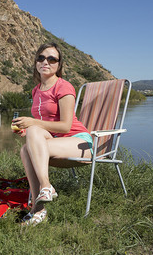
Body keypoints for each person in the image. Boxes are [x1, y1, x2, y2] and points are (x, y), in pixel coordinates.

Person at [11, 42, 93, 226]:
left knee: (31, 138)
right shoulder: (36, 90)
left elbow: (65, 126)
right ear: (35, 63)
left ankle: (45, 189)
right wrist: (28, 129)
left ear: (59, 65)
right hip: (55, 143)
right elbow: (43, 127)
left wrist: (33, 123)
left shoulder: (63, 87)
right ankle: (38, 208)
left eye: (51, 59)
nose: (45, 62)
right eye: (41, 58)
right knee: (26, 148)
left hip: (79, 143)